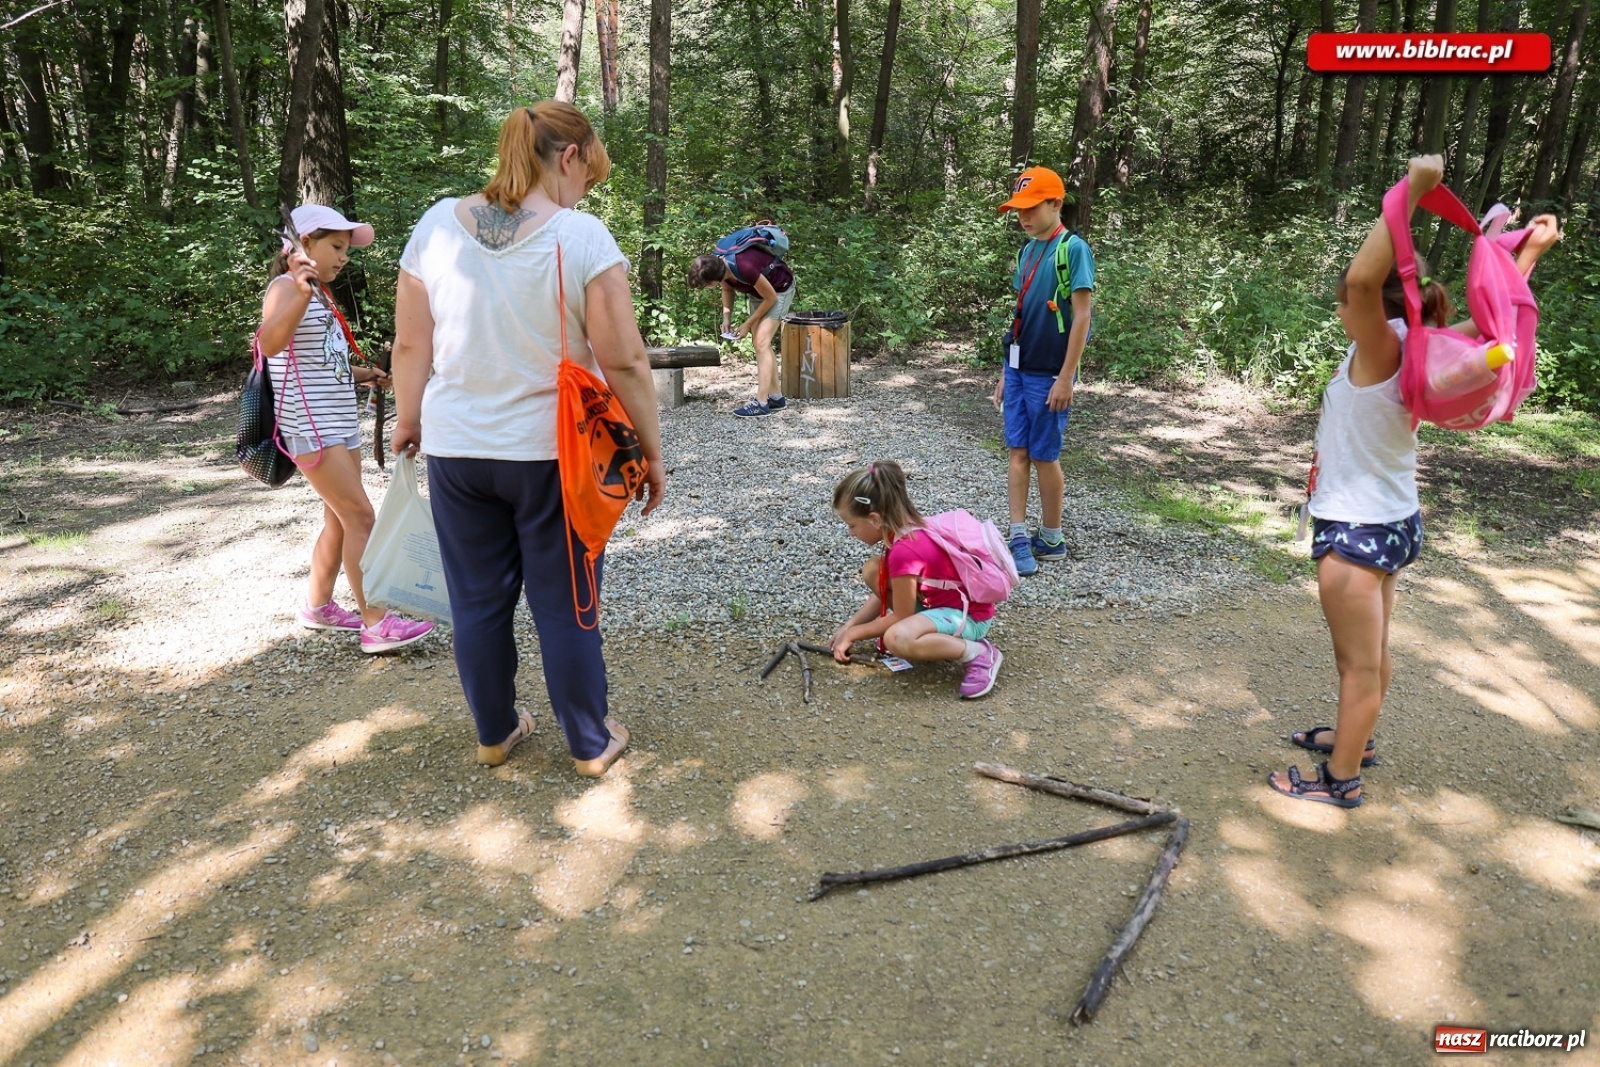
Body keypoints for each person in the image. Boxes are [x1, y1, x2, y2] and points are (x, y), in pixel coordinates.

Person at [1269, 154, 1562, 808]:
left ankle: (1341, 779)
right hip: (1394, 523)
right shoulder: (1424, 348)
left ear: (1370, 306)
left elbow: (1362, 279)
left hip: (1356, 530)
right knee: (1370, 655)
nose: (1344, 300)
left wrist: (1411, 192)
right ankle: (1355, 736)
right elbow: (1494, 317)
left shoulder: (1383, 348)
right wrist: (1530, 253)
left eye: (1351, 299)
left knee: (1360, 666)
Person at [390, 101, 665, 777]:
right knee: (566, 599)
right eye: (587, 176)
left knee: (477, 600)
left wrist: (408, 417)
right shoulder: (581, 236)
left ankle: (495, 731)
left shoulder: (434, 225)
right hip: (552, 456)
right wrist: (651, 450)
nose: (584, 193)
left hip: (457, 451)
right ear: (567, 158)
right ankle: (589, 742)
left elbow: (408, 342)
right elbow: (625, 358)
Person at [257, 203, 435, 654]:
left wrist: (363, 374)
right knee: (360, 516)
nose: (343, 257)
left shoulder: (320, 294)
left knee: (339, 519)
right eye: (336, 246)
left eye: (346, 250)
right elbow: (270, 343)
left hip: (337, 423)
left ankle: (317, 606)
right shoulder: (287, 287)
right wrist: (298, 290)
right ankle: (375, 623)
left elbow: (322, 363)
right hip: (311, 429)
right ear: (305, 244)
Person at [990, 166, 1095, 577]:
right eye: (1019, 209)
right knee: (1017, 452)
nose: (1024, 217)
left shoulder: (1073, 250)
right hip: (1018, 369)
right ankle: (1018, 534)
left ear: (1056, 203)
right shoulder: (1027, 251)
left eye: (1032, 208)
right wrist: (1005, 370)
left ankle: (1052, 536)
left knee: (1044, 456)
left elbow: (1083, 317)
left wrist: (1067, 376)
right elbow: (1020, 313)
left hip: (1050, 373)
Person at [829, 461, 1003, 699]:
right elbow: (883, 590)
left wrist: (854, 634)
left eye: (852, 525)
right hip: (943, 606)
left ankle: (978, 653)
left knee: (896, 638)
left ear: (875, 520)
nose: (851, 533)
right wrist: (849, 627)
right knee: (873, 569)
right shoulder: (904, 529)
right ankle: (932, 640)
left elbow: (901, 616)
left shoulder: (904, 552)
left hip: (969, 618)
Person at [687, 235, 796, 418]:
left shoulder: (744, 267)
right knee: (760, 343)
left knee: (761, 342)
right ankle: (776, 398)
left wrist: (747, 324)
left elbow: (771, 298)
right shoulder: (718, 265)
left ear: (713, 279)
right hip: (758, 293)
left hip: (779, 289)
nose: (705, 288)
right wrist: (726, 317)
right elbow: (727, 288)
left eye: (705, 285)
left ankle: (761, 403)